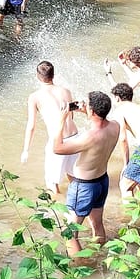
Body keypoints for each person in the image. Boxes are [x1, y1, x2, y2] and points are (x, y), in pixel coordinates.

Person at [53, 91, 120, 257]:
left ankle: (81, 269)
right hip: (101, 181)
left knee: (69, 233)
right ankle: (100, 257)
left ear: (93, 111)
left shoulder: (90, 137)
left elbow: (57, 148)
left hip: (83, 187)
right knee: (96, 224)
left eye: (87, 106)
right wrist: (88, 111)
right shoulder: (115, 126)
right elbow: (100, 121)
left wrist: (61, 120)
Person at [22, 61, 79, 194]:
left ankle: (58, 212)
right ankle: (81, 207)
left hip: (58, 140)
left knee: (52, 183)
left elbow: (31, 125)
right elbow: (70, 115)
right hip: (75, 137)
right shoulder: (66, 91)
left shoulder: (34, 97)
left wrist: (26, 150)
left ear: (37, 76)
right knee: (74, 176)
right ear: (53, 75)